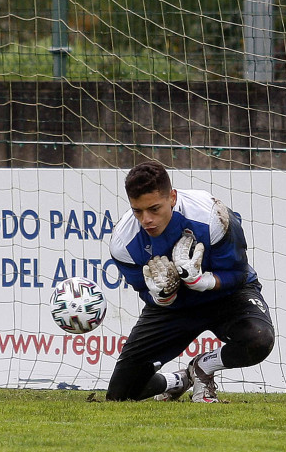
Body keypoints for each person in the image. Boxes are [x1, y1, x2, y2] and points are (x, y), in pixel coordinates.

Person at [105, 160, 275, 402]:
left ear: (172, 197)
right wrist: (162, 296)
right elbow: (143, 289)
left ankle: (203, 367)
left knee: (259, 339)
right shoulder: (123, 242)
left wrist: (203, 281)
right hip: (174, 308)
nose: (146, 220)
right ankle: (177, 380)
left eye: (154, 209)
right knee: (120, 395)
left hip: (226, 296)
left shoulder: (212, 215)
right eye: (137, 211)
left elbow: (238, 274)